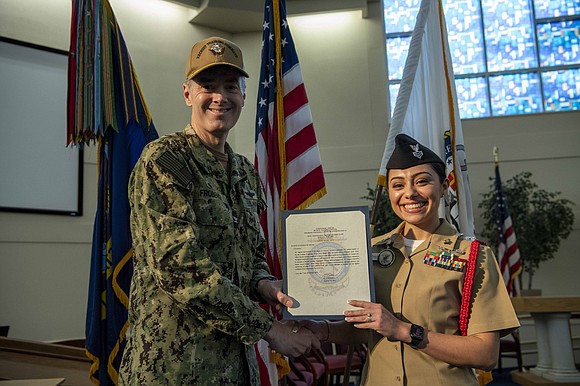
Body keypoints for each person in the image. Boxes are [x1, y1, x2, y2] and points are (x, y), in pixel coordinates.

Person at [118, 36, 319, 386]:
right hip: (174, 369)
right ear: (187, 94)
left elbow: (250, 256)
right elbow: (181, 270)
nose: (219, 97)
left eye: (230, 87)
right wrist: (271, 330)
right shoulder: (164, 162)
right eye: (207, 86)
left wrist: (266, 285)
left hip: (237, 367)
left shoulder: (244, 172)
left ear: (243, 95)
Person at [303, 134, 520, 385]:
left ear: (443, 187)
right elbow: (367, 329)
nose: (409, 193)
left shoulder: (473, 256)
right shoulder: (367, 250)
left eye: (422, 181)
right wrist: (324, 330)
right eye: (398, 185)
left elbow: (485, 354)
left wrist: (402, 330)